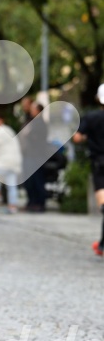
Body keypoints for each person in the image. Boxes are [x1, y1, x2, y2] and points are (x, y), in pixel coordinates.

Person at [73, 84, 104, 255]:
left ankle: (101, 245)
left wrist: (86, 136)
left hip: (99, 162)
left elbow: (76, 137)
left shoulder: (91, 117)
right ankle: (101, 245)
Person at [19, 101, 48, 212]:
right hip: (28, 155)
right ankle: (31, 202)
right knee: (29, 181)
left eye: (33, 109)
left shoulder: (40, 123)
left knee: (37, 180)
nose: (31, 110)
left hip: (36, 156)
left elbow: (37, 139)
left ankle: (40, 203)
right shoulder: (30, 121)